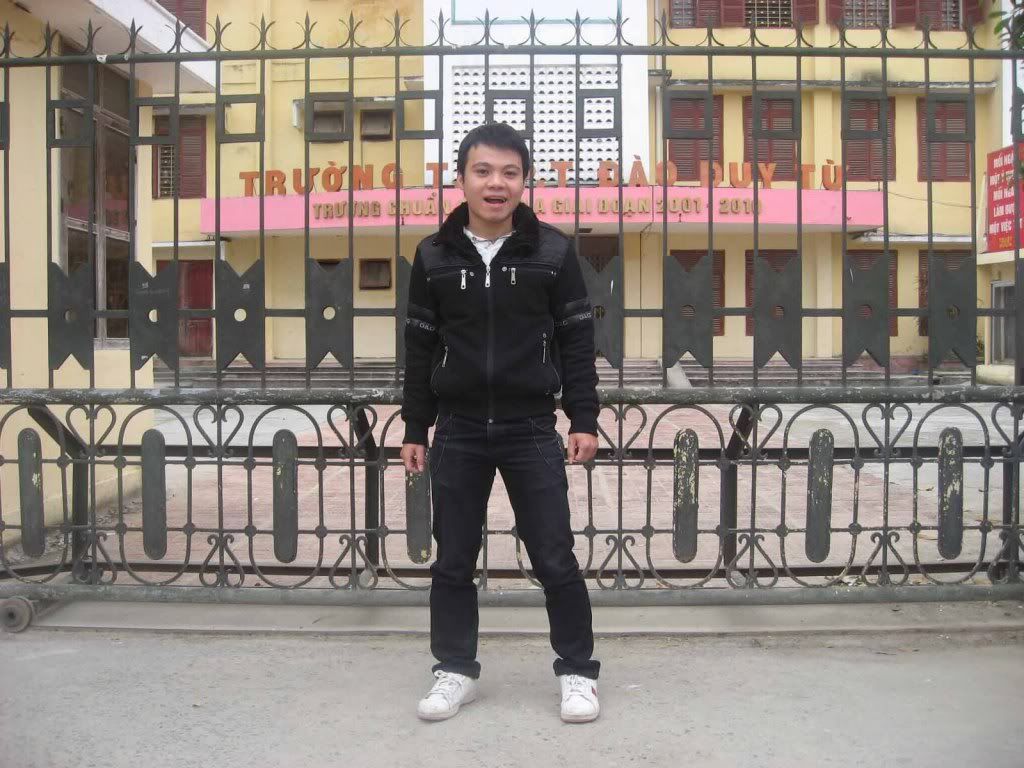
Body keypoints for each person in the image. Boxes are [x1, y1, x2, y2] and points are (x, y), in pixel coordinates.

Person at [400, 122, 601, 723]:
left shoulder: (553, 252)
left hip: (530, 428)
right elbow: (419, 346)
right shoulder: (433, 255)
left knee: (554, 556)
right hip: (458, 429)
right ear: (461, 179)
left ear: (524, 181)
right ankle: (454, 670)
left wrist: (583, 417)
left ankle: (578, 673)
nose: (496, 184)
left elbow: (576, 341)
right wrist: (415, 427)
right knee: (453, 559)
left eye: (509, 173)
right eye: (483, 171)